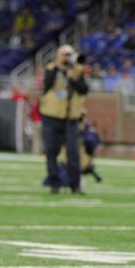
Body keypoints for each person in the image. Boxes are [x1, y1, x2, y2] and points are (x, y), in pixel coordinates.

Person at [39, 44, 91, 194]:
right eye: (65, 55)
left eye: (70, 54)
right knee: (51, 149)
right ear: (58, 56)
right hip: (52, 114)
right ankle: (54, 182)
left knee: (73, 152)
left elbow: (84, 90)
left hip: (71, 116)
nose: (68, 58)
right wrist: (58, 68)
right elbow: (46, 85)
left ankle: (75, 185)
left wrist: (73, 76)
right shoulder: (51, 69)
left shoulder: (77, 71)